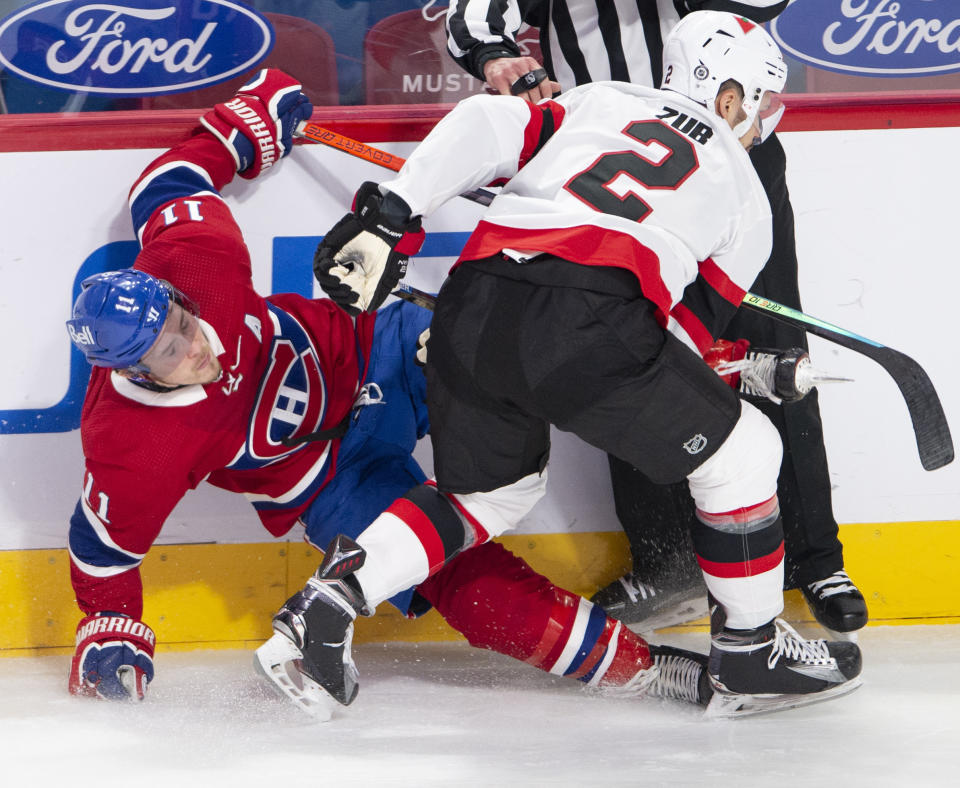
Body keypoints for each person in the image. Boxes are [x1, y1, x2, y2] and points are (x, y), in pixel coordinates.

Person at [266, 11, 862, 720]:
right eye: (761, 103)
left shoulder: (598, 98)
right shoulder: (750, 200)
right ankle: (751, 650)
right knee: (745, 453)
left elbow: (484, 124)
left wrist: (395, 211)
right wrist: (740, 369)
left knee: (487, 495)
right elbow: (672, 344)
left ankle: (331, 598)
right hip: (594, 317)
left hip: (473, 300)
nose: (764, 122)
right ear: (729, 97)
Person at [64, 68, 709, 712]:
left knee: (517, 352)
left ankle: (710, 372)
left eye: (182, 321)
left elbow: (165, 184)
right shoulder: (129, 444)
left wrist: (246, 123)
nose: (196, 344)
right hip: (328, 478)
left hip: (377, 351)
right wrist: (111, 633)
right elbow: (102, 551)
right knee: (458, 581)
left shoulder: (193, 261)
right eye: (172, 352)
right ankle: (647, 670)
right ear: (136, 373)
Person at [444, 0, 868, 637]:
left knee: (773, 340)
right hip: (610, 161)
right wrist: (498, 56)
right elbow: (474, 13)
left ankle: (813, 558)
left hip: (733, 150)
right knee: (623, 350)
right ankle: (667, 562)